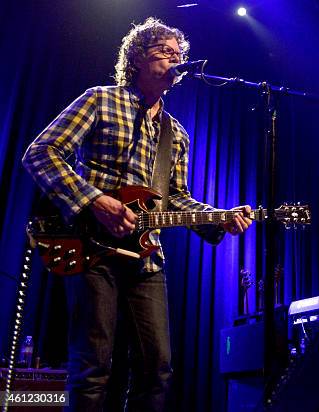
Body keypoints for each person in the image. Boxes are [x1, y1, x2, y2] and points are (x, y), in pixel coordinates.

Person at [21, 18, 252, 411]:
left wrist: (219, 218)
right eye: (164, 52)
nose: (174, 61)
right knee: (93, 366)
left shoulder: (175, 133)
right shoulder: (100, 99)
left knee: (157, 368)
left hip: (145, 259)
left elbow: (174, 199)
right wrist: (94, 200)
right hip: (91, 248)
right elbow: (41, 153)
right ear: (138, 59)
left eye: (179, 55)